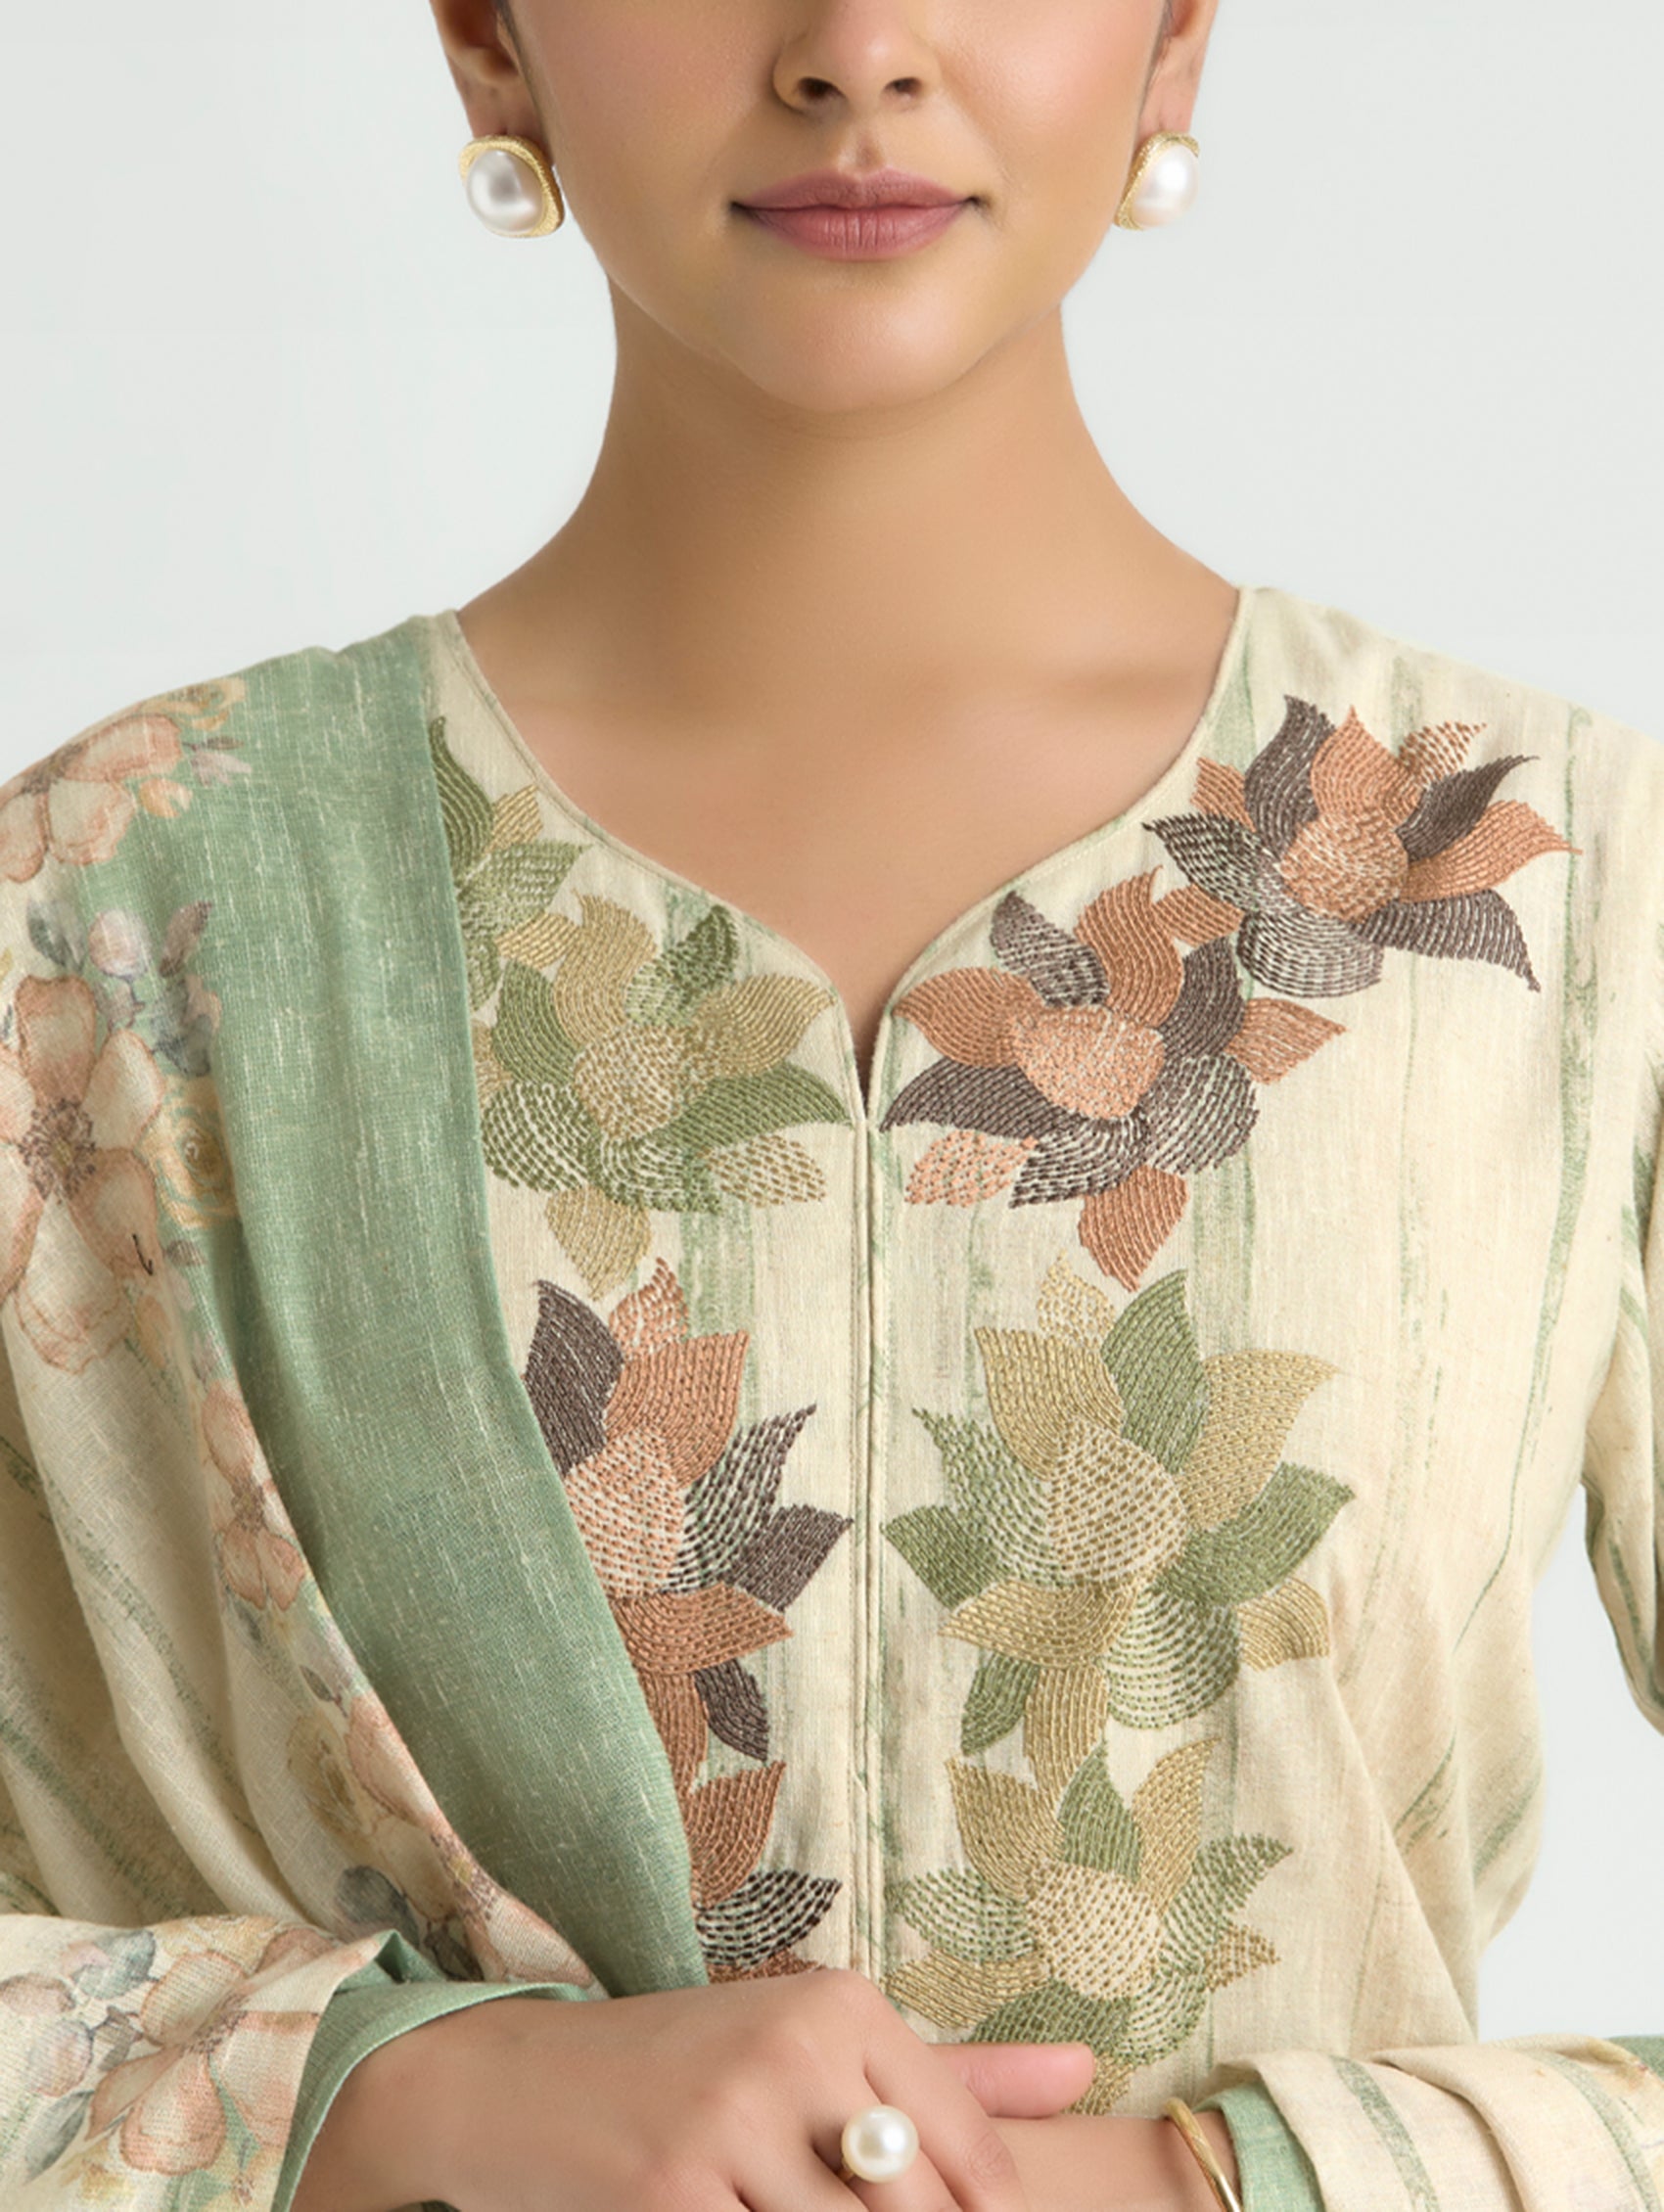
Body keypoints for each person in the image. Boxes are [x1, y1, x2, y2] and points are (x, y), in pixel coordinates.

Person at [2, 0, 1661, 2206]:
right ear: (489, 41)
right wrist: (410, 2096)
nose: (856, 47)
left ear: (1174, 38)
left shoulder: (1565, 893)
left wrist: (1194, 2181)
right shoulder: (108, 911)